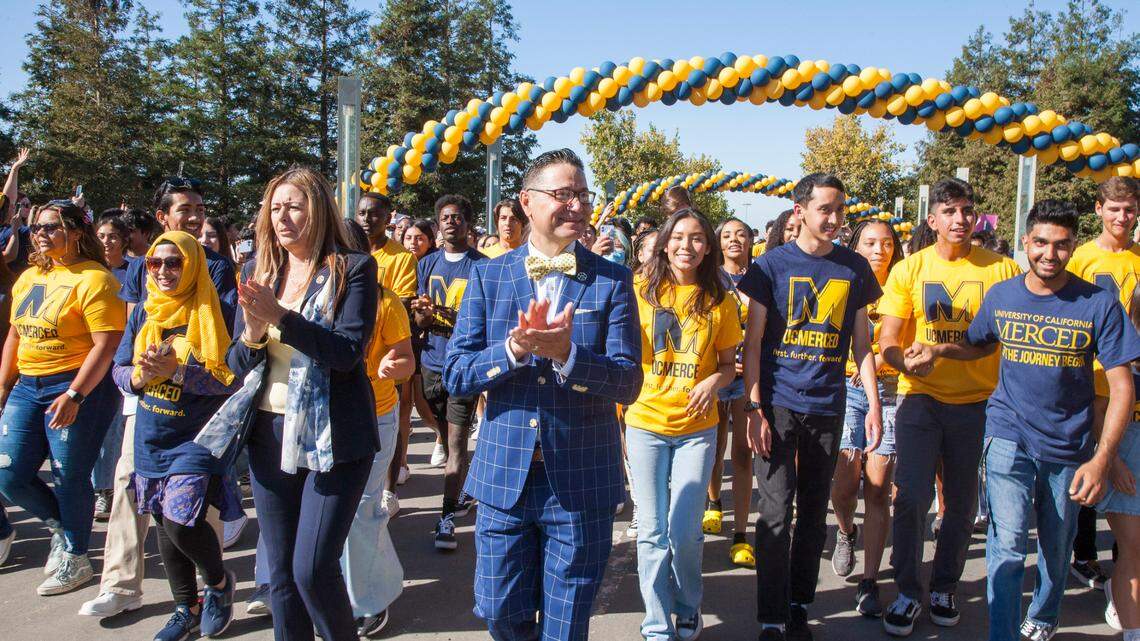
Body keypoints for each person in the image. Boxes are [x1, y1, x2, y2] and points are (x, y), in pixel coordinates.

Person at [907, 200, 1140, 641]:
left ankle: (1045, 615)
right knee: (1008, 543)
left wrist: (1102, 458)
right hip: (1007, 433)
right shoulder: (1003, 295)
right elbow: (978, 344)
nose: (1050, 254)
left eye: (1061, 245)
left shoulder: (1099, 304)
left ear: (1073, 246)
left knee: (1055, 545)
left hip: (1068, 444)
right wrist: (938, 350)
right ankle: (1003, 634)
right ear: (1025, 241)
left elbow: (1122, 386)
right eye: (1041, 243)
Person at [443, 148, 642, 641]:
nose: (577, 205)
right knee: (498, 611)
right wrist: (512, 350)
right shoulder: (488, 276)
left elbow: (627, 382)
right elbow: (457, 374)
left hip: (579, 482)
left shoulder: (613, 281)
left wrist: (567, 355)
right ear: (527, 202)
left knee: (565, 626)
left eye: (583, 196)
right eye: (563, 194)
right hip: (502, 480)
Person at [225, 166, 378, 641]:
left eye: (294, 206)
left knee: (312, 568)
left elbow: (346, 353)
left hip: (336, 436)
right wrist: (253, 334)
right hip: (268, 435)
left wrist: (280, 318)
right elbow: (237, 362)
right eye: (275, 208)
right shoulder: (258, 271)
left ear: (319, 209)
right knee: (281, 577)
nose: (283, 217)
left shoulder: (353, 268)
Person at [80, 176, 240, 618]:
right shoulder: (141, 269)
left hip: (198, 409)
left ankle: (210, 588)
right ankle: (120, 584)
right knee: (129, 486)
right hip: (148, 401)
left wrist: (180, 371)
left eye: (199, 209)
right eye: (184, 209)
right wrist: (138, 375)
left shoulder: (216, 266)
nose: (194, 217)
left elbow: (222, 346)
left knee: (191, 507)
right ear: (162, 217)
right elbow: (137, 328)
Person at [738, 173, 883, 641]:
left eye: (840, 210)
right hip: (777, 403)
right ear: (800, 212)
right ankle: (771, 617)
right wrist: (754, 409)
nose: (835, 219)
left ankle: (799, 604)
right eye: (825, 209)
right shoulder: (770, 265)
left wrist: (874, 404)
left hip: (828, 405)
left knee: (814, 511)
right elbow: (753, 344)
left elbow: (862, 345)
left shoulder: (854, 267)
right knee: (776, 511)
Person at [877, 178, 1021, 637]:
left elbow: (999, 339)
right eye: (950, 211)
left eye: (967, 210)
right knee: (910, 496)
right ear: (933, 220)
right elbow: (888, 339)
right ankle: (906, 591)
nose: (960, 219)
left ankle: (944, 586)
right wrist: (906, 362)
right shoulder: (910, 269)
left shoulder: (1002, 269)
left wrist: (940, 352)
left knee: (960, 503)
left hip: (978, 403)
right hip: (919, 398)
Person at [113, 231, 242, 641]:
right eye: (156, 263)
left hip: (196, 440)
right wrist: (139, 377)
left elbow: (233, 380)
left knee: (180, 521)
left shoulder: (218, 310)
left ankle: (218, 583)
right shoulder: (145, 310)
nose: (164, 271)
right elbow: (119, 369)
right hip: (152, 434)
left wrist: (179, 373)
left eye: (174, 263)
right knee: (162, 522)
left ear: (193, 265)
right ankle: (185, 608)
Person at [0, 199, 126, 595]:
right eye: (37, 227)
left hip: (77, 386)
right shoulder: (28, 277)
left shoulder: (97, 279)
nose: (40, 233)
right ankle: (63, 526)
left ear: (76, 231)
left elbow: (106, 345)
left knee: (68, 474)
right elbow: (15, 334)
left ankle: (76, 555)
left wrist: (75, 394)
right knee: (8, 472)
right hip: (27, 386)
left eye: (51, 227)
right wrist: (3, 385)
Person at [626, 208, 740, 640]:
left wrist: (714, 381)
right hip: (645, 422)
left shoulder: (720, 300)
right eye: (677, 237)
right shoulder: (639, 290)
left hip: (697, 430)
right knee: (651, 532)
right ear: (664, 243)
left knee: (685, 533)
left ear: (708, 247)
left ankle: (689, 604)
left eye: (696, 238)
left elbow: (728, 366)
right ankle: (657, 624)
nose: (685, 246)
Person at [1065, 175, 1140, 591]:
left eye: (1129, 209)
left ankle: (1123, 565)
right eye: (1114, 209)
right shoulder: (1082, 258)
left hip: (1130, 374)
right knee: (1090, 464)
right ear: (1098, 210)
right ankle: (1084, 553)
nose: (1122, 217)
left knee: (1125, 469)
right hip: (1089, 374)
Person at [828, 219, 905, 617]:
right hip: (846, 389)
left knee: (877, 487)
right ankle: (846, 530)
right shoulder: (843, 281)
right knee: (844, 482)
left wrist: (878, 363)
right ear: (855, 246)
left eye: (887, 243)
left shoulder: (904, 282)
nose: (879, 250)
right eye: (871, 243)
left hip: (890, 392)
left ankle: (870, 580)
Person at [341, 278, 414, 637]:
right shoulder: (313, 292)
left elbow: (407, 361)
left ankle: (372, 599)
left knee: (360, 507)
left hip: (376, 414)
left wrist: (392, 367)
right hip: (322, 418)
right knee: (335, 511)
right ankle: (347, 589)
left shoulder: (385, 302)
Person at [412, 195, 484, 549]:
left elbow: (485, 321)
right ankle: (463, 489)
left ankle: (446, 519)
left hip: (464, 365)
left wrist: (455, 319)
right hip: (431, 362)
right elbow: (419, 320)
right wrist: (423, 315)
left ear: (468, 223)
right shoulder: (426, 264)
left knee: (456, 445)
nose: (451, 222)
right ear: (437, 224)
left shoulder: (482, 266)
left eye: (457, 217)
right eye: (445, 217)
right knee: (443, 435)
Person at [354, 192, 418, 500]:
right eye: (362, 213)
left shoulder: (401, 258)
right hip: (355, 363)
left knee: (395, 415)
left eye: (374, 213)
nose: (367, 219)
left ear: (389, 217)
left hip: (391, 348)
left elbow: (401, 301)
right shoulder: (349, 254)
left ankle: (390, 488)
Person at [704, 217, 757, 568]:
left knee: (742, 452)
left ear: (751, 241)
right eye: (726, 235)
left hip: (746, 376)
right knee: (714, 444)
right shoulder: (711, 277)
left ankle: (740, 534)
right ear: (719, 243)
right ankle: (713, 504)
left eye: (740, 234)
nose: (734, 239)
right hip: (714, 373)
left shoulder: (761, 278)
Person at [1102, 287, 1140, 640]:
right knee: (1133, 550)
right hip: (1127, 468)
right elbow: (1099, 412)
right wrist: (1112, 462)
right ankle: (1133, 632)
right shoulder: (1120, 358)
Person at [92, 216, 135, 519]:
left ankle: (107, 489)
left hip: (119, 358)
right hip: (90, 357)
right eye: (101, 235)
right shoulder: (91, 270)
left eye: (112, 236)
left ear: (123, 240)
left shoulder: (133, 271)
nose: (106, 241)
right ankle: (100, 487)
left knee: (114, 427)